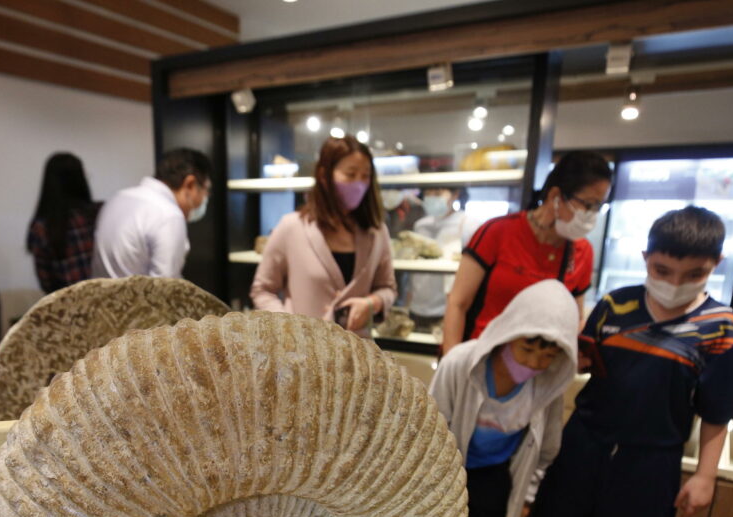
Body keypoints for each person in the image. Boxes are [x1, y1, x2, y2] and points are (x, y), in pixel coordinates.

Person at [492, 207, 733, 517]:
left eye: (693, 273)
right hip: (587, 438)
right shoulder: (616, 305)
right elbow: (581, 363)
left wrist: (705, 475)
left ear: (715, 266)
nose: (674, 281)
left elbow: (717, 411)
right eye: (662, 269)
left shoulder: (721, 328)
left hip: (653, 455)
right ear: (646, 257)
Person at [428, 280, 578, 517]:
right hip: (447, 466)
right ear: (507, 334)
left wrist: (527, 496)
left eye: (548, 356)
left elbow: (545, 451)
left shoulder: (546, 388)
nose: (536, 363)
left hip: (494, 471)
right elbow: (431, 426)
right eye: (527, 349)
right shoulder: (460, 365)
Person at [441, 150, 613, 354]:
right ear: (555, 196)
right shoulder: (498, 231)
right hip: (479, 359)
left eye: (599, 206)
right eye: (588, 204)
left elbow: (574, 318)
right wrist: (452, 362)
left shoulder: (582, 251)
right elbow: (458, 302)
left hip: (536, 369)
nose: (592, 214)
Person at [250, 135, 395, 334]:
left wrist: (372, 303)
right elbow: (262, 289)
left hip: (357, 353)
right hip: (303, 354)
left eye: (365, 176)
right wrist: (287, 327)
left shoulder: (376, 232)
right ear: (325, 176)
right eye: (351, 174)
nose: (359, 184)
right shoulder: (292, 227)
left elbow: (387, 288)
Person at [91, 148, 210, 279]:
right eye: (206, 190)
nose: (205, 198)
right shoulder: (168, 215)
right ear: (190, 184)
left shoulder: (117, 198)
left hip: (101, 298)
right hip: (136, 299)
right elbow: (165, 288)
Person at [27, 153, 99, 294]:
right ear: (81, 179)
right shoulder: (97, 214)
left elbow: (46, 282)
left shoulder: (41, 227)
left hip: (68, 308)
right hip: (108, 303)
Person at [408, 187, 471, 333]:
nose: (431, 198)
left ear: (455, 194)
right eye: (428, 193)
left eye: (437, 193)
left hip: (445, 310)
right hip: (417, 307)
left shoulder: (467, 223)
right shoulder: (421, 225)